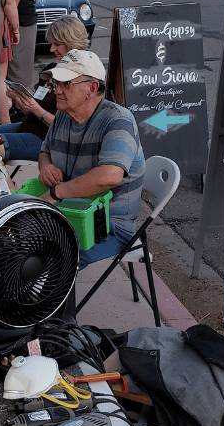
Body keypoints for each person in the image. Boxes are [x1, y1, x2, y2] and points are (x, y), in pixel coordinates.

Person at [38, 49, 145, 269]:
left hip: (110, 224)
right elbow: (44, 151)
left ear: (92, 88)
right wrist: (46, 166)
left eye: (65, 84)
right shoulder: (63, 115)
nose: (57, 90)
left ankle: (49, 302)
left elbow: (110, 176)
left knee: (49, 258)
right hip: (70, 212)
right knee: (19, 238)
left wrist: (56, 193)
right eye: (56, 83)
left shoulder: (118, 120)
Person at [0, 15, 89, 163]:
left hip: (49, 140)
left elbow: (72, 128)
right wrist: (20, 99)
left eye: (57, 44)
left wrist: (37, 110)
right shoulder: (51, 70)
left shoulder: (81, 79)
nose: (51, 48)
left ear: (71, 43)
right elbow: (31, 112)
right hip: (29, 128)